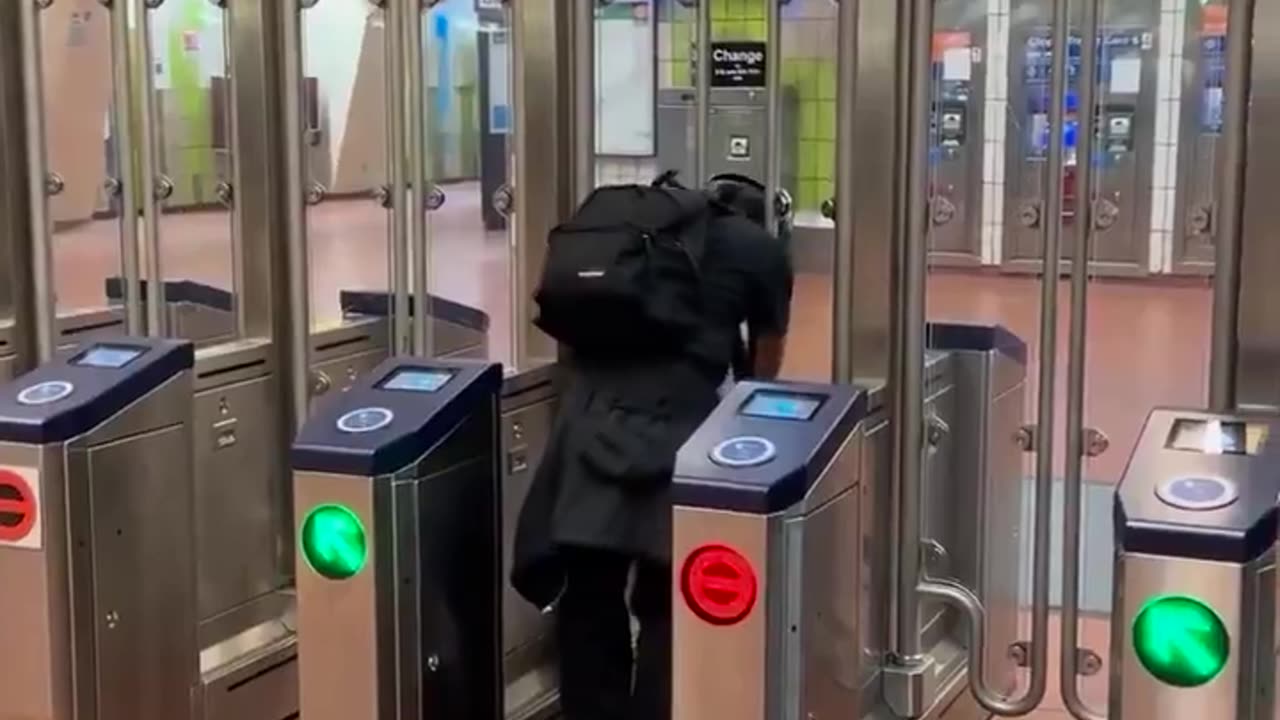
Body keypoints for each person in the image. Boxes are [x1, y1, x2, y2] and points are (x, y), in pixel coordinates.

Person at [510, 173, 794, 720]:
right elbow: (767, 362)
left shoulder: (632, 228)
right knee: (670, 604)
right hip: (685, 436)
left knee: (589, 597)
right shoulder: (760, 250)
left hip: (589, 426)